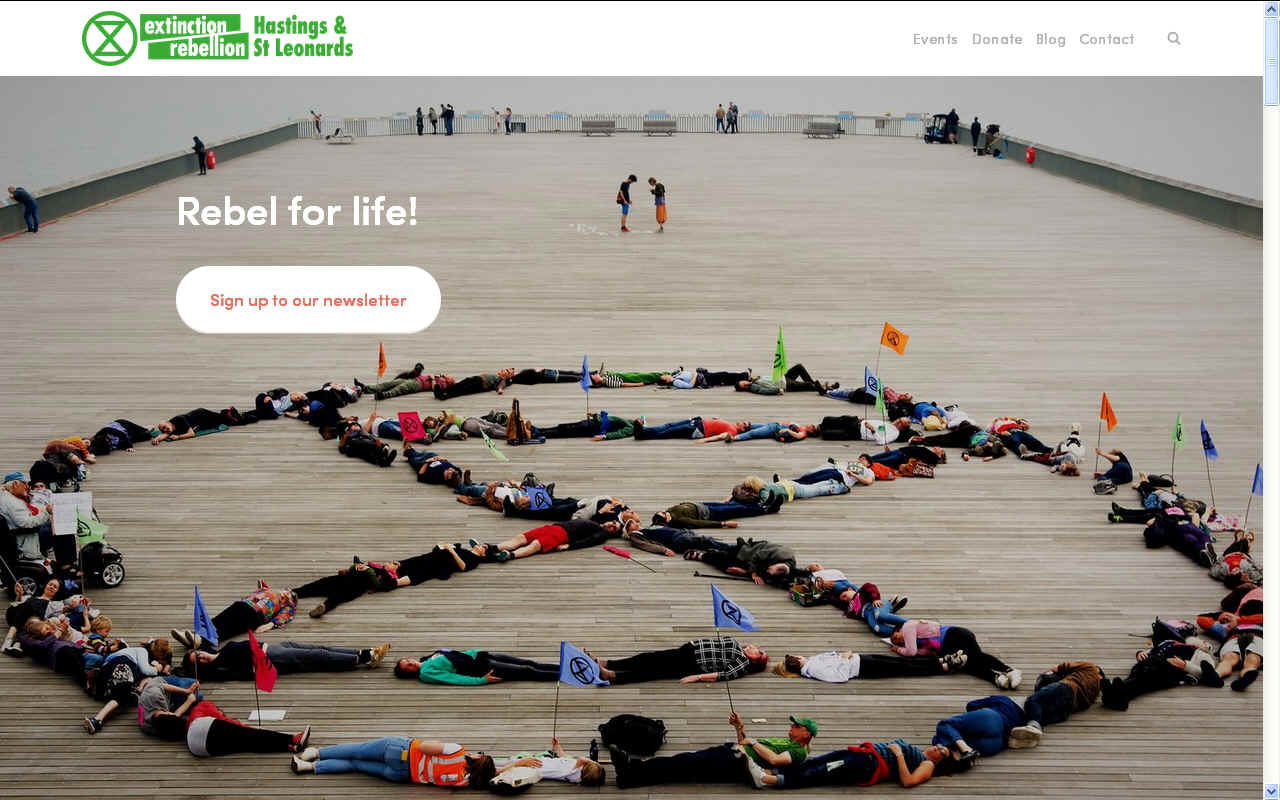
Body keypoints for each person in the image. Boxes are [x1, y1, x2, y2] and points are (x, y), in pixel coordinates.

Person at [609, 712, 809, 788]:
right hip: (731, 752)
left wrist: (753, 742)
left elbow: (774, 760)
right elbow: (745, 742)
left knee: (682, 765)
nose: (791, 728)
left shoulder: (799, 752)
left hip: (736, 763)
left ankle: (629, 775)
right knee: (682, 761)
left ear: (806, 734)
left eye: (796, 727)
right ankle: (632, 769)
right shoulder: (785, 742)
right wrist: (739, 728)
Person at [754, 738, 962, 789]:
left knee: (820, 771)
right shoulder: (919, 752)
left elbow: (908, 781)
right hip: (863, 754)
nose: (937, 748)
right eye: (939, 746)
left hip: (867, 765)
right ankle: (771, 769)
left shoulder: (928, 765)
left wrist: (898, 755)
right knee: (816, 761)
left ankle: (773, 780)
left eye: (941, 752)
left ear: (940, 760)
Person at [291, 736, 498, 787]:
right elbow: (494, 772)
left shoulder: (457, 751)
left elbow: (425, 747)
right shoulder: (464, 782)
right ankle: (309, 767)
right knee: (355, 766)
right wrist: (516, 766)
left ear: (479, 758)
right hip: (401, 775)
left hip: (401, 751)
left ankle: (316, 753)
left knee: (358, 750)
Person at [150, 697, 311, 757]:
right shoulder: (197, 712)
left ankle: (288, 747)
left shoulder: (174, 733)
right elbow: (232, 724)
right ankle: (291, 738)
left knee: (246, 745)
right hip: (202, 727)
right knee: (249, 735)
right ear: (171, 715)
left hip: (197, 748)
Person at [889, 620, 1022, 688]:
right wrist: (907, 649)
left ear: (899, 629)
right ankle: (997, 678)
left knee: (975, 657)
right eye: (896, 642)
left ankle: (1009, 670)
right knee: (967, 664)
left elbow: (911, 652)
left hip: (953, 635)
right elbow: (925, 652)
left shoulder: (907, 626)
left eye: (895, 637)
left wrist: (899, 650)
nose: (898, 641)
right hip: (948, 644)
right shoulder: (916, 637)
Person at [176, 637, 390, 679]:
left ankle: (362, 652)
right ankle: (363, 657)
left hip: (276, 646)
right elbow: (245, 675)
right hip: (271, 657)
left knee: (320, 647)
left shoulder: (219, 651)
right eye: (199, 660)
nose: (202, 656)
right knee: (316, 656)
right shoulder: (221, 666)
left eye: (199, 654)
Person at [593, 636, 768, 684]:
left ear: (756, 661)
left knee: (653, 671)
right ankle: (608, 663)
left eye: (759, 652)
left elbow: (724, 674)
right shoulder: (737, 645)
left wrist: (696, 677)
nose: (755, 647)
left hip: (692, 664)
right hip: (688, 651)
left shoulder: (742, 663)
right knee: (647, 657)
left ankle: (614, 676)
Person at [1008, 661, 1103, 748]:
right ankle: (1030, 737)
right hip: (1068, 709)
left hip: (1066, 688)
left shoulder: (1091, 667)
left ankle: (1031, 728)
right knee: (1037, 716)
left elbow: (1056, 669)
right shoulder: (1095, 693)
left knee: (1032, 701)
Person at [171, 580, 296, 644]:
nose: (287, 591)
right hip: (245, 604)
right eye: (288, 590)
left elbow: (283, 617)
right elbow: (263, 589)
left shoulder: (288, 604)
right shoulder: (272, 591)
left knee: (228, 628)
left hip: (255, 615)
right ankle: (194, 635)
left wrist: (269, 625)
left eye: (290, 593)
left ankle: (201, 640)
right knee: (218, 620)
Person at [1197, 582, 1262, 691]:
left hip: (1258, 635)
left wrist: (1239, 620)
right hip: (1235, 636)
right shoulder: (1228, 625)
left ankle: (1245, 678)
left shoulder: (1242, 621)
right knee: (1230, 658)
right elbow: (1201, 620)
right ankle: (1215, 675)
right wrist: (1221, 617)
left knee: (1252, 658)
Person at [294, 558, 403, 617]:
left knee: (339, 596)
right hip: (346, 577)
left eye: (393, 563)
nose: (389, 562)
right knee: (321, 583)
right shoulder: (373, 566)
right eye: (390, 561)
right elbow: (353, 569)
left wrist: (368, 571)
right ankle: (295, 592)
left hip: (357, 586)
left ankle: (323, 607)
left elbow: (378, 586)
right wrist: (356, 566)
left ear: (395, 569)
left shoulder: (390, 578)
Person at [773, 650, 967, 682]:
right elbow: (838, 677)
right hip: (861, 668)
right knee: (904, 668)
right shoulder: (813, 669)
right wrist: (844, 659)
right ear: (798, 662)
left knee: (902, 662)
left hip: (860, 659)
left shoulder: (812, 663)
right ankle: (942, 667)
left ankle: (940, 660)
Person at [394, 648, 560, 684]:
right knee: (527, 671)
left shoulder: (427, 658)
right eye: (407, 667)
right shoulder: (426, 673)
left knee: (529, 662)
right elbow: (452, 678)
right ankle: (563, 675)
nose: (410, 663)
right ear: (408, 673)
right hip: (481, 669)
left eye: (407, 661)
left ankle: (564, 669)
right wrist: (481, 680)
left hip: (481, 656)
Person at [489, 518, 617, 562]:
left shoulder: (602, 533)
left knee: (535, 545)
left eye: (613, 528)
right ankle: (493, 548)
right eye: (613, 523)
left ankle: (511, 555)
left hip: (562, 534)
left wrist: (570, 546)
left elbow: (589, 541)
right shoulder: (597, 522)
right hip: (554, 527)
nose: (611, 525)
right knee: (521, 538)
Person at [495, 737, 606, 786]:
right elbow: (564, 758)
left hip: (533, 765)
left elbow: (582, 758)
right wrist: (557, 747)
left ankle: (489, 769)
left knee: (506, 765)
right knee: (507, 763)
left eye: (589, 763)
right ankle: (490, 766)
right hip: (537, 763)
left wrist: (592, 762)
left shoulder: (575, 773)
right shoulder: (575, 773)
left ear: (584, 767)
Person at [1, 475, 52, 559]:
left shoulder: (8, 497)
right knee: (60, 528)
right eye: (25, 484)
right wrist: (46, 512)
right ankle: (66, 564)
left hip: (20, 537)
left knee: (53, 525)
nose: (28, 487)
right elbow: (26, 523)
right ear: (15, 484)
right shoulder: (11, 502)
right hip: (24, 540)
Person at [433, 368, 516, 400]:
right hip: (476, 379)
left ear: (508, 376)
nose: (505, 370)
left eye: (507, 371)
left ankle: (444, 396)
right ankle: (442, 391)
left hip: (479, 384)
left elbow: (501, 386)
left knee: (461, 390)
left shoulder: (502, 380)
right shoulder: (497, 376)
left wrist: (500, 390)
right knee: (459, 385)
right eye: (506, 369)